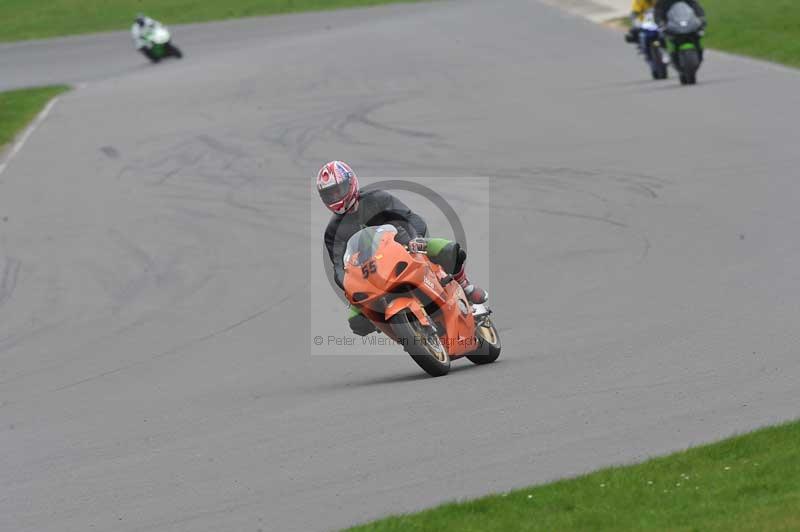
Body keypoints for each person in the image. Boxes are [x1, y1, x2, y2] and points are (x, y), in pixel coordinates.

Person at [317, 161, 488, 336]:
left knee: (448, 250)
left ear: (351, 183)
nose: (335, 197)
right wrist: (347, 282)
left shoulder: (377, 199)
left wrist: (415, 240)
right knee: (356, 321)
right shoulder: (333, 231)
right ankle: (400, 329)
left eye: (338, 190)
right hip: (370, 273)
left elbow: (409, 218)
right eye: (329, 194)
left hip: (405, 248)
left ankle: (465, 286)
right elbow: (338, 265)